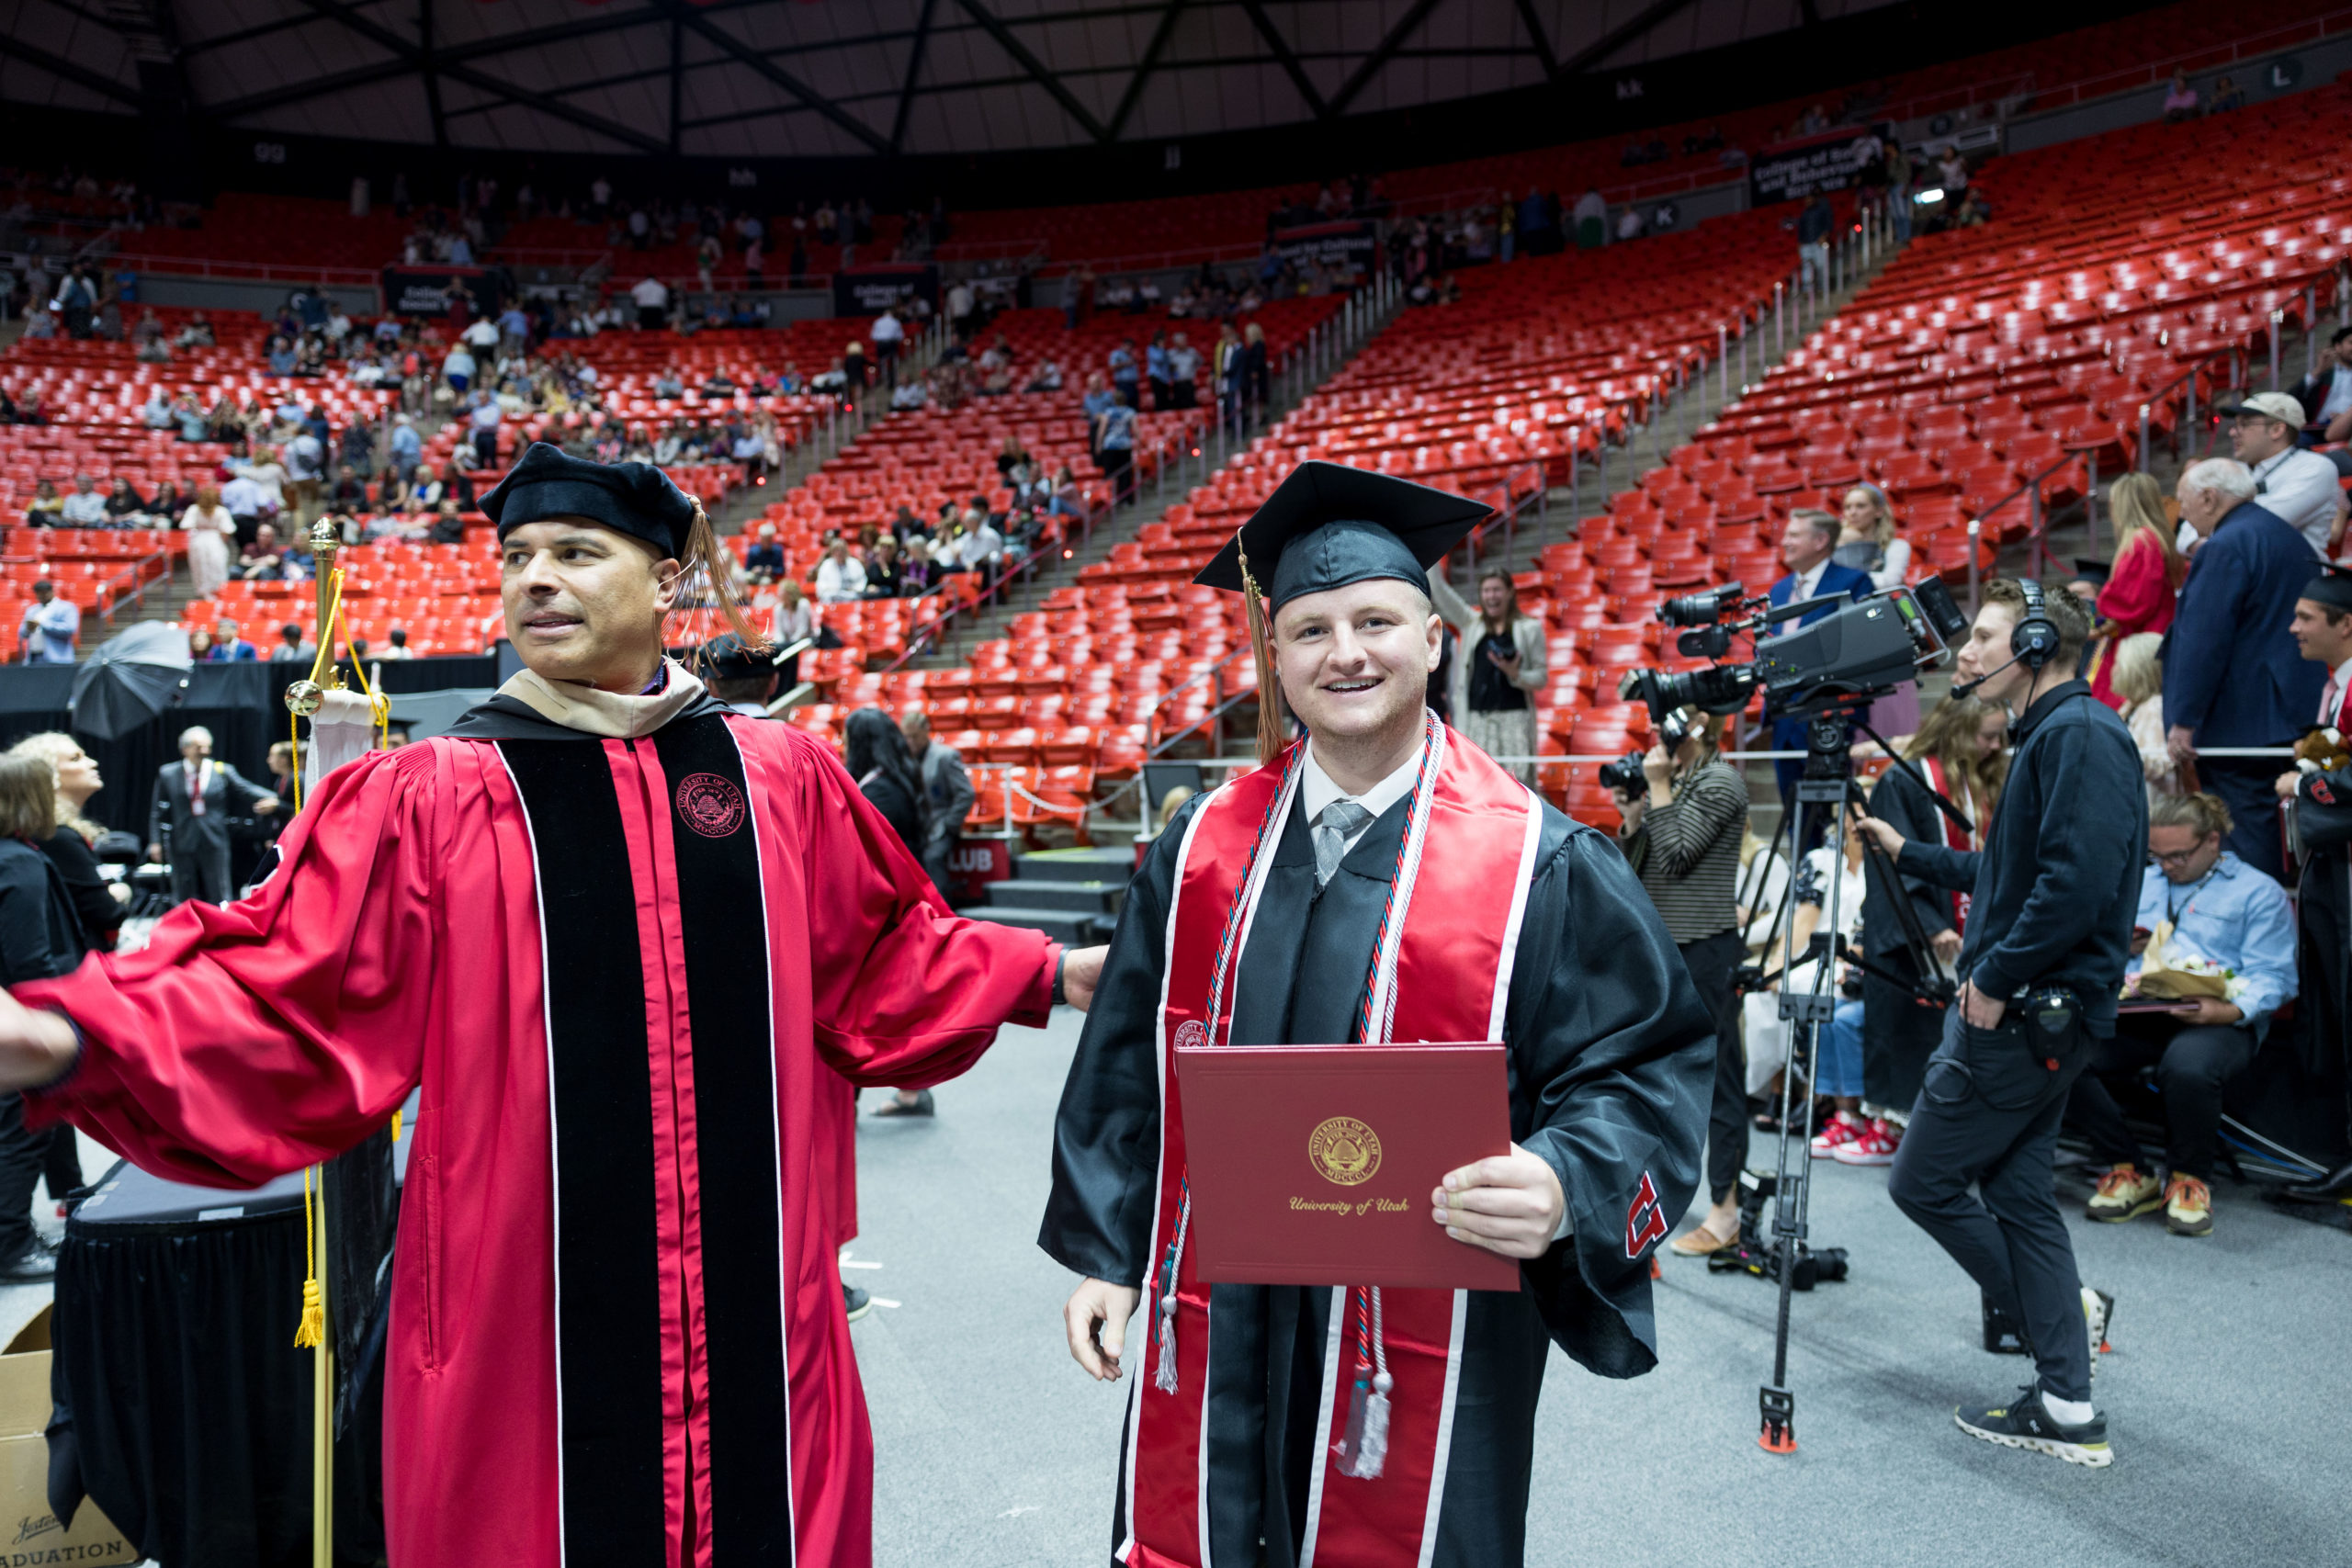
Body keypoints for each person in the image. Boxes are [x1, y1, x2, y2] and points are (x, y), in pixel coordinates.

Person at [0, 440, 1107, 1566]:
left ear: (666, 582)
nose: (535, 578)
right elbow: (286, 979)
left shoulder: (777, 777)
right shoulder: (432, 796)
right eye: (518, 556)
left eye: (576, 553)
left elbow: (879, 954)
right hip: (522, 1337)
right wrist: (69, 1029)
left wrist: (1050, 971)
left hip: (760, 1319)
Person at [1043, 463, 1712, 1567]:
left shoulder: (1539, 863)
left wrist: (1562, 1181)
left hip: (1425, 1322)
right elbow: (1127, 1064)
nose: (1343, 653)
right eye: (1309, 630)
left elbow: (1642, 1068)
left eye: (1375, 622)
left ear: (1434, 640)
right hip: (1215, 1298)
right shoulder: (1199, 851)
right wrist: (1112, 1255)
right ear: (1273, 656)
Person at [1855, 577, 2138, 1469]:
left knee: (1922, 1182)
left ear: (2037, 643)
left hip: (2018, 1013)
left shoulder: (2079, 735)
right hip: (2033, 1014)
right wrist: (1912, 852)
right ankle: (2065, 1400)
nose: (1966, 651)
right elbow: (2013, 869)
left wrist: (1997, 977)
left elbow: (2074, 886)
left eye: (1984, 635)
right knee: (2017, 1196)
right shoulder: (2061, 732)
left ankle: (2064, 1321)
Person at [2069, 792, 2294, 1238]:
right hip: (2142, 1008)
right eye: (2158, 856)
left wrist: (2228, 1010)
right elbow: (2096, 946)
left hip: (2220, 1015)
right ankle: (2129, 1167)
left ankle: (2189, 1179)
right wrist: (2120, 946)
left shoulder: (2257, 891)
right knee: (2064, 1050)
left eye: (2179, 856)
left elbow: (2275, 976)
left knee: (2188, 1068)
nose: (2168, 866)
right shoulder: (2141, 881)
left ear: (2212, 841)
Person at [1838, 696, 2008, 1168]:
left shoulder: (1990, 780)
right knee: (1906, 1033)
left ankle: (1947, 1136)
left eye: (2000, 736)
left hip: (1973, 934)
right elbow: (1891, 864)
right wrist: (1930, 924)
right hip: (1915, 936)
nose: (1997, 746)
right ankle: (1894, 1130)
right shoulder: (1907, 780)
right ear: (1958, 731)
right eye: (1988, 735)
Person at [1601, 710, 1748, 1259]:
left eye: (1673, 723)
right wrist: (1635, 817)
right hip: (1663, 947)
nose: (1660, 734)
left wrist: (1659, 787)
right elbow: (1640, 870)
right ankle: (1648, 1197)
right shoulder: (1678, 781)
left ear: (1700, 726)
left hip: (1706, 949)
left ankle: (1726, 1211)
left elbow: (1678, 857)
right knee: (1649, 1079)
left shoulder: (1721, 780)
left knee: (1720, 1082)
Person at [2162, 458, 2324, 880]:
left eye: (2184, 502)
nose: (2183, 514)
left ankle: (2257, 919)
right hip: (2285, 711)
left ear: (2209, 498)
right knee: (2279, 833)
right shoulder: (2284, 534)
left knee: (2248, 837)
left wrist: (2184, 719)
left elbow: (2203, 639)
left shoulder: (2225, 545)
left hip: (2242, 721)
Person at [0, 754, 85, 1281]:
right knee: (21, 1132)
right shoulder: (20, 863)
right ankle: (10, 1245)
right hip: (27, 1017)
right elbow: (31, 959)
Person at [1766, 510, 1873, 816]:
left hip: (1830, 716)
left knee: (1831, 818)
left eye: (1794, 535)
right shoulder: (1779, 590)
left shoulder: (1854, 582)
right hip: (1785, 719)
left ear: (1821, 540)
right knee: (1794, 815)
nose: (1785, 541)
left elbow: (1859, 646)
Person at [1429, 566, 1545, 784]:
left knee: (1517, 786)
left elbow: (1541, 679)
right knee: (1479, 785)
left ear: (1510, 592)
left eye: (1497, 590)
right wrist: (1432, 555)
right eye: (1486, 590)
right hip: (1477, 721)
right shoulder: (1470, 623)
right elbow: (1440, 590)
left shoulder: (1530, 628)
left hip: (1516, 722)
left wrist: (1516, 674)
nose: (1492, 596)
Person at [146, 725, 278, 905]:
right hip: (182, 838)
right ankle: (186, 921)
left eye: (207, 746)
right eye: (199, 747)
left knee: (220, 888)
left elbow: (246, 789)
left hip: (214, 838)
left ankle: (222, 921)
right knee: (183, 889)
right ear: (185, 749)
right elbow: (157, 811)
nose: (204, 751)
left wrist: (278, 799)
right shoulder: (168, 773)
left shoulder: (221, 770)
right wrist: (155, 842)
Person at [2086, 472, 2184, 709]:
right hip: (2153, 634)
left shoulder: (2141, 542)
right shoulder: (2158, 539)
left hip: (2139, 642)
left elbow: (2130, 603)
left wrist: (2098, 622)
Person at [2219, 391, 2344, 556]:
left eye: (2245, 424)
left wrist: (2214, 518)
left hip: (2295, 572)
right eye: (2234, 425)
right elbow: (2189, 531)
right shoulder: (2231, 469)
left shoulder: (2315, 467)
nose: (2233, 433)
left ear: (2277, 430)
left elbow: (2263, 523)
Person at [900, 706, 972, 902]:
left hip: (942, 825)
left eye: (914, 736)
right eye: (907, 737)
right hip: (918, 827)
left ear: (926, 731)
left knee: (932, 858)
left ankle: (941, 909)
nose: (910, 742)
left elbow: (965, 794)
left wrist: (950, 824)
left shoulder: (945, 756)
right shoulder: (904, 761)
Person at [2110, 633, 2180, 804]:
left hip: (2153, 808)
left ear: (2136, 671)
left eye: (2118, 663)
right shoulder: (2131, 706)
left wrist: (2111, 754)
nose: (2114, 669)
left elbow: (2162, 764)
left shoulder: (2155, 708)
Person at [17, 581, 79, 665]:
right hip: (34, 655)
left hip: (57, 657)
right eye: (38, 593)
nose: (41, 596)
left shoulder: (66, 607)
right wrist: (28, 628)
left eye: (44, 592)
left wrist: (43, 624)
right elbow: (22, 633)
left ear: (51, 592)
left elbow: (70, 629)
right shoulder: (32, 610)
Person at [814, 537, 867, 604]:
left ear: (846, 551)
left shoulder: (855, 563)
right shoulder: (826, 565)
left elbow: (862, 580)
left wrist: (855, 588)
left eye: (842, 550)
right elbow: (821, 585)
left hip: (851, 595)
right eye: (836, 550)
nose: (839, 553)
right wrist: (834, 588)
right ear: (832, 552)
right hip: (833, 596)